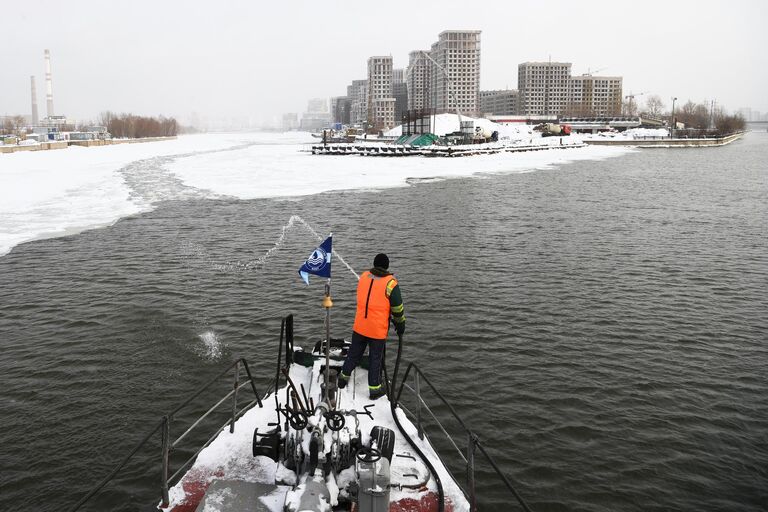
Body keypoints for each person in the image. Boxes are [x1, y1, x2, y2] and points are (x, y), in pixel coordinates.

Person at [337, 253, 405, 399]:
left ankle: (342, 378)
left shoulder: (364, 276)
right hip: (377, 330)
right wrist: (401, 325)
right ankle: (374, 390)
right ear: (387, 266)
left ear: (374, 264)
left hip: (360, 326)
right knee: (376, 359)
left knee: (354, 354)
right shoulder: (391, 283)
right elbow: (397, 308)